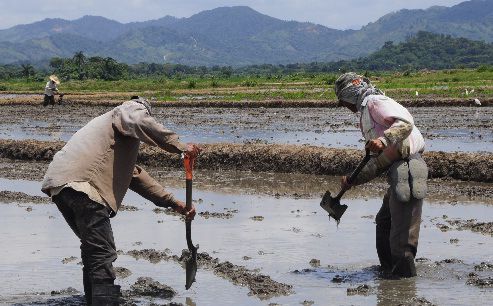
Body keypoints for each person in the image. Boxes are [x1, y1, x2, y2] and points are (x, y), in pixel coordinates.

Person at [41, 96, 201, 305]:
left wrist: (174, 203)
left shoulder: (112, 136)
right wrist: (180, 146)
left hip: (62, 187)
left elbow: (134, 176)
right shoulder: (129, 110)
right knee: (102, 252)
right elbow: (137, 118)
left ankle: (94, 301)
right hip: (84, 185)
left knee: (94, 251)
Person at [334, 72, 428, 278]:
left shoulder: (375, 102)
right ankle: (387, 271)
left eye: (343, 101)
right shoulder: (366, 112)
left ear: (350, 94)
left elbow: (405, 123)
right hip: (395, 166)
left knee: (401, 237)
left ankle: (403, 282)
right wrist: (353, 179)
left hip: (407, 167)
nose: (345, 107)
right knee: (384, 221)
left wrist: (384, 140)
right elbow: (379, 160)